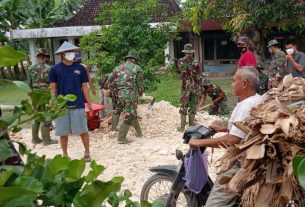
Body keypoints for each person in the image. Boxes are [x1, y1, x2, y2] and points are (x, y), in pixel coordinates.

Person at [189, 66, 263, 207]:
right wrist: (222, 128)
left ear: (245, 84)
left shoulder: (245, 106)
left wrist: (200, 142)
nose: (231, 84)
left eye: (234, 81)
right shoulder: (256, 99)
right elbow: (244, 130)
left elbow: (233, 140)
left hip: (240, 165)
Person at [48, 41, 92, 161]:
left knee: (83, 130)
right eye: (69, 52)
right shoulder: (55, 69)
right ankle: (65, 155)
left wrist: (89, 103)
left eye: (73, 52)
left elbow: (84, 86)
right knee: (63, 132)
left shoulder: (80, 68)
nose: (72, 54)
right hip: (61, 106)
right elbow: (53, 87)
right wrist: (52, 103)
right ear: (63, 54)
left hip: (78, 104)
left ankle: (87, 153)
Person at [107, 51, 144, 143]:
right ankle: (121, 138)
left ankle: (139, 133)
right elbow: (140, 83)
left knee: (130, 112)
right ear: (134, 60)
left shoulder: (117, 68)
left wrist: (116, 91)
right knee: (130, 114)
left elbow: (110, 81)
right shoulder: (137, 68)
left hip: (120, 94)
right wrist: (140, 92)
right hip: (131, 94)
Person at [27, 48, 57, 145]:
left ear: (37, 56)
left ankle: (35, 139)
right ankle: (47, 140)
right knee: (46, 115)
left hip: (35, 94)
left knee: (36, 115)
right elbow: (52, 83)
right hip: (45, 94)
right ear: (45, 57)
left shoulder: (30, 68)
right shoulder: (49, 69)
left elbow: (29, 84)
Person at [177, 43, 201, 132]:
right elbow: (183, 71)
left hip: (192, 86)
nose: (189, 54)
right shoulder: (182, 61)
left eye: (190, 53)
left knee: (192, 106)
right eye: (187, 53)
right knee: (184, 105)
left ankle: (190, 127)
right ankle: (182, 127)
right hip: (188, 86)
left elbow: (198, 75)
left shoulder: (193, 61)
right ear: (185, 53)